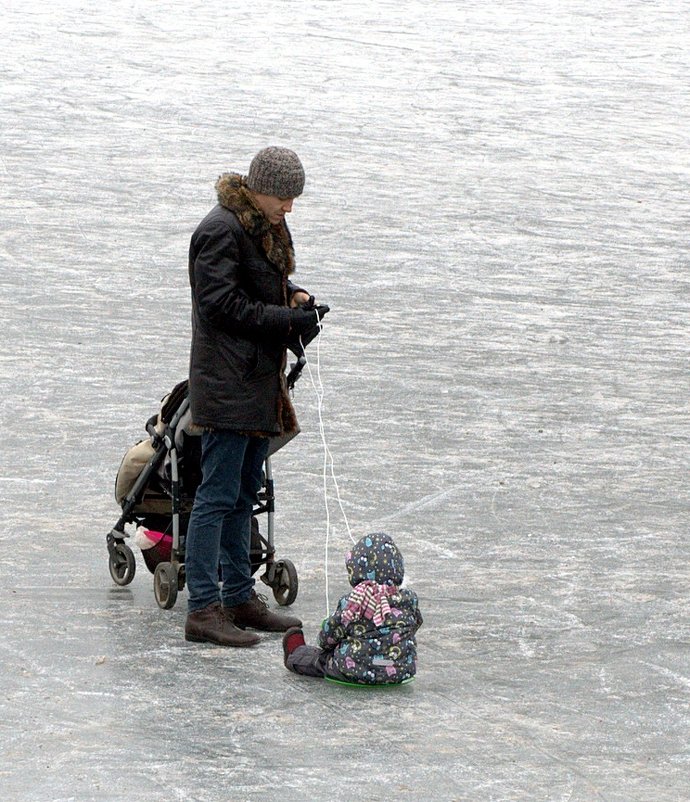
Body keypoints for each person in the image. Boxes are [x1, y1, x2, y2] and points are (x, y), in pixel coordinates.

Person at [184, 146, 329, 648]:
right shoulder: (220, 229)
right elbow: (220, 305)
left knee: (245, 494)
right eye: (285, 197)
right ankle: (203, 608)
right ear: (259, 187)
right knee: (216, 497)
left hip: (257, 380)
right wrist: (284, 320)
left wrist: (296, 299)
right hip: (227, 383)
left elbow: (259, 290)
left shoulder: (260, 225)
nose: (289, 207)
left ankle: (241, 598)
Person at [282, 532, 423, 684]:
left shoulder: (354, 601)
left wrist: (326, 636)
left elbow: (327, 639)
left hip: (355, 670)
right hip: (401, 669)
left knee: (318, 659)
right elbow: (416, 623)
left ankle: (295, 654)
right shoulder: (409, 599)